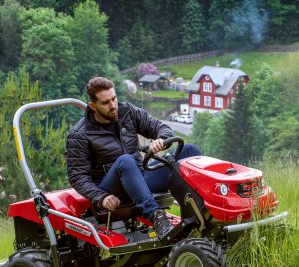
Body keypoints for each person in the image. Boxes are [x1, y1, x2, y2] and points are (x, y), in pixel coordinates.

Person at [66, 77, 201, 239]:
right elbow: (77, 177)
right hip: (111, 189)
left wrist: (161, 140)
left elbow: (161, 127)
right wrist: (101, 197)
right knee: (126, 160)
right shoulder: (80, 135)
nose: (112, 105)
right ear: (92, 106)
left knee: (188, 151)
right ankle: (157, 218)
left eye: (114, 99)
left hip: (139, 177)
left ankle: (201, 212)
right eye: (105, 103)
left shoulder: (127, 112)